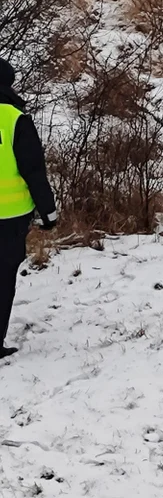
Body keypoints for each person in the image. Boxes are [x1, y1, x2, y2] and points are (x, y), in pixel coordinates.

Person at [0, 57, 57, 358]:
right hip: (9, 218)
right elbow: (33, 170)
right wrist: (48, 213)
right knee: (2, 278)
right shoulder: (15, 120)